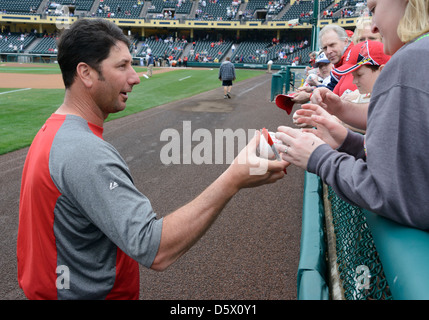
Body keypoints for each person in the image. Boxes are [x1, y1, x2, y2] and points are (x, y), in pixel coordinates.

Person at [17, 18, 288, 300]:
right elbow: (154, 247)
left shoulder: (53, 131)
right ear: (85, 73)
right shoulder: (85, 152)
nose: (134, 77)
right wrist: (233, 178)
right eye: (122, 66)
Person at [275, 0, 429, 230]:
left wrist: (318, 157)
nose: (374, 27)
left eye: (374, 9)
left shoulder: (413, 58)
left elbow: (396, 196)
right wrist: (350, 142)